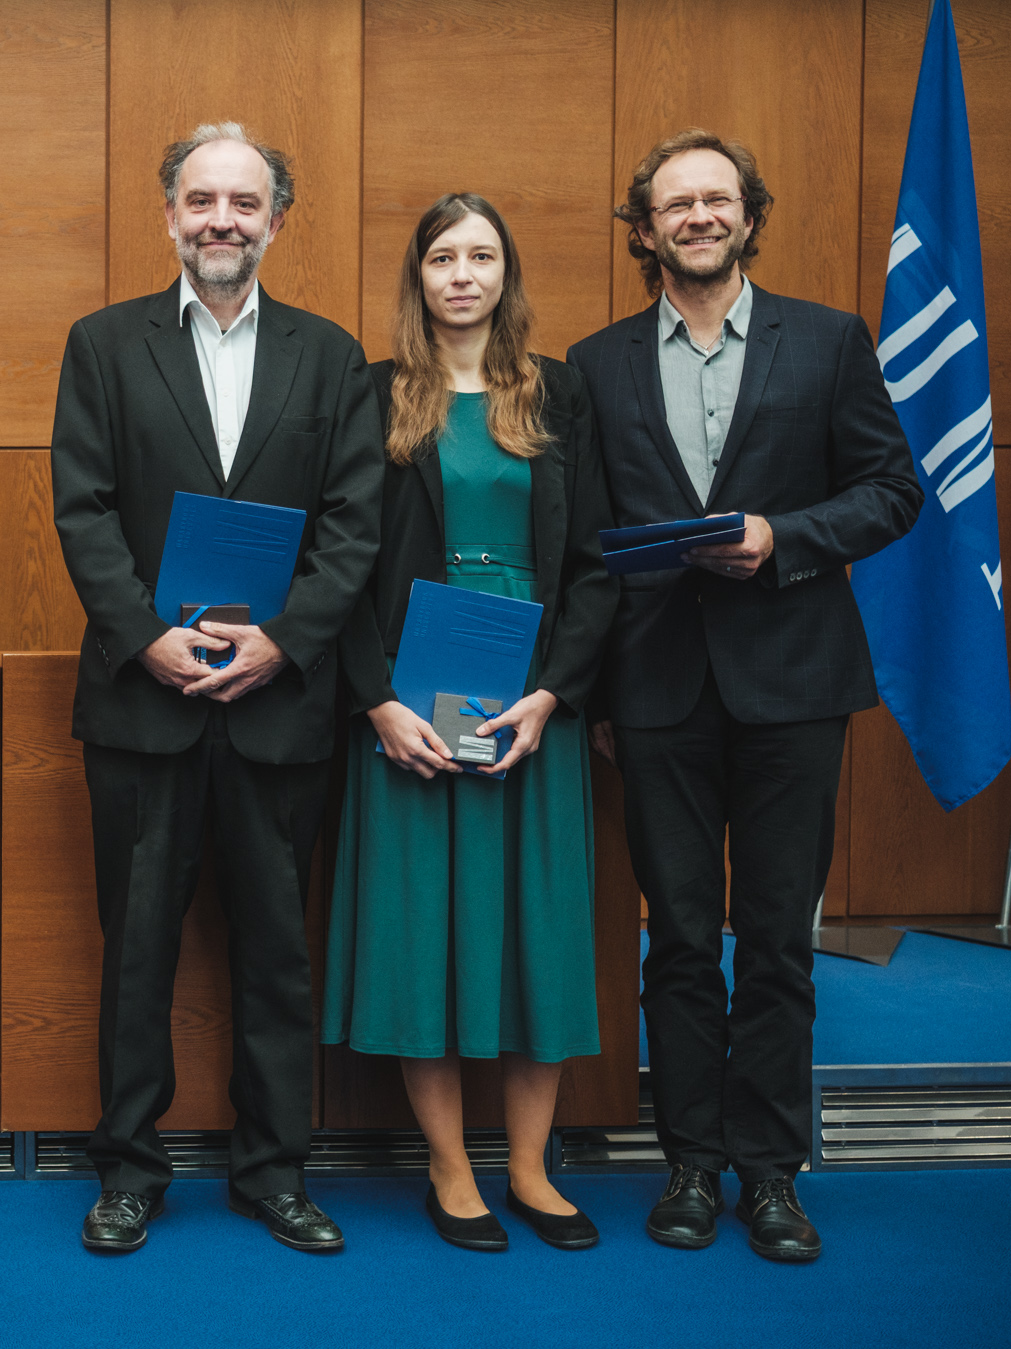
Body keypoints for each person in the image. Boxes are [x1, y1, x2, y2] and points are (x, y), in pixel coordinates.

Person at [567, 130, 922, 1262]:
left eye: (716, 199)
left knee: (772, 941)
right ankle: (685, 1164)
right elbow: (582, 537)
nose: (698, 217)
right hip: (656, 694)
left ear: (747, 216)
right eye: (674, 204)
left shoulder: (826, 342)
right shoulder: (595, 362)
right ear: (643, 231)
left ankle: (768, 1174)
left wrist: (783, 537)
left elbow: (889, 492)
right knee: (673, 939)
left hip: (793, 688)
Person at [51, 122, 383, 1254]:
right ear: (168, 216)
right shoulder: (102, 344)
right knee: (136, 952)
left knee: (276, 956)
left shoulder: (331, 358)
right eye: (200, 200)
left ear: (275, 222)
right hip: (143, 706)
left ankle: (271, 1171)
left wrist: (282, 644)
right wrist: (145, 637)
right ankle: (128, 1172)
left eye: (244, 203)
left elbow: (353, 526)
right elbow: (82, 510)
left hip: (279, 707)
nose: (221, 221)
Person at [324, 194, 615, 1253]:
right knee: (421, 941)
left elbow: (592, 564)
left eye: (480, 255)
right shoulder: (371, 397)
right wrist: (376, 701)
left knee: (532, 936)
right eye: (441, 256)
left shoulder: (558, 395)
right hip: (408, 708)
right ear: (418, 276)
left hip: (528, 703)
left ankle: (530, 1171)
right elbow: (339, 569)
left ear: (505, 274)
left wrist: (553, 695)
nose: (460, 274)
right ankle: (451, 1172)